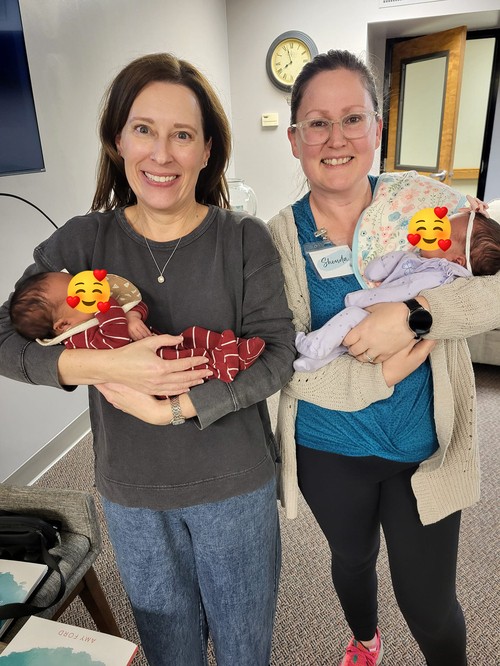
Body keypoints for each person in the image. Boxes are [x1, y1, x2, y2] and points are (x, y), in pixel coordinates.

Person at [0, 53, 296, 666]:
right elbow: (5, 337)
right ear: (118, 140)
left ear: (207, 150)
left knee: (245, 650)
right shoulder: (83, 241)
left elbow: (277, 355)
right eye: (143, 129)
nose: (161, 154)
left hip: (234, 486)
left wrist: (178, 406)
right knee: (169, 651)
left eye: (182, 134)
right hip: (134, 496)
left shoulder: (244, 239)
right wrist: (102, 367)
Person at [267, 49, 500, 666]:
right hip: (328, 449)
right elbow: (282, 362)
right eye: (317, 123)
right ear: (294, 139)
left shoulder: (424, 206)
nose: (335, 138)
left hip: (424, 446)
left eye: (353, 118)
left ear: (378, 128)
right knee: (352, 561)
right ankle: (366, 640)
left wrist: (415, 314)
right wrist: (379, 375)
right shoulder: (275, 239)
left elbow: (494, 285)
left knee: (430, 606)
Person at [294, 210, 500, 371]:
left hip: (387, 327)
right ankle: (312, 361)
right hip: (396, 344)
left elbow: (382, 278)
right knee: (345, 338)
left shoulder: (439, 275)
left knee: (350, 316)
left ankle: (312, 347)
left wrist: (367, 297)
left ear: (457, 261)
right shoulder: (433, 267)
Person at [9, 270, 266, 383]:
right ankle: (226, 364)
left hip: (161, 343)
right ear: (64, 324)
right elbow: (116, 339)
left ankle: (232, 346)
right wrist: (104, 303)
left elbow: (136, 305)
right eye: (79, 292)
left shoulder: (95, 315)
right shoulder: (81, 339)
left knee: (191, 335)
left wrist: (132, 316)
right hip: (157, 366)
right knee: (192, 360)